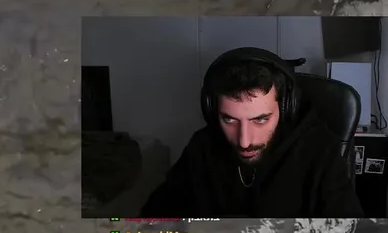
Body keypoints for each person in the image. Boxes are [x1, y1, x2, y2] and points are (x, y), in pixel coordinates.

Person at [141, 47, 363, 217]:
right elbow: (153, 221)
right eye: (229, 119)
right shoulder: (202, 147)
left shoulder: (319, 149)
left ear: (285, 108)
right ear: (211, 110)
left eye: (260, 120)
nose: (244, 141)